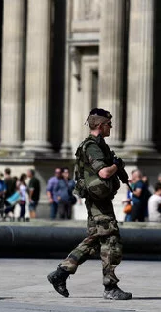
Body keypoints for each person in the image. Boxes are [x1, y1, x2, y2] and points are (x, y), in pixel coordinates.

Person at [47, 108, 132, 300]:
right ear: (101, 125)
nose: (111, 127)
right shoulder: (92, 146)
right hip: (98, 200)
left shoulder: (99, 145)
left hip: (98, 199)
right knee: (110, 239)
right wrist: (116, 166)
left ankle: (60, 273)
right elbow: (103, 173)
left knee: (94, 240)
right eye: (109, 124)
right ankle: (110, 286)